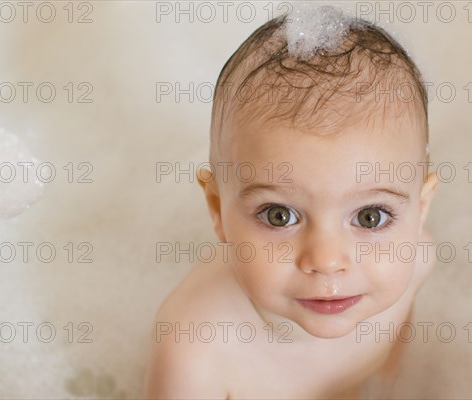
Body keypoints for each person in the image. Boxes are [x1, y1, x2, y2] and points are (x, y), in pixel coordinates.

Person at [144, 5, 439, 399]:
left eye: (370, 217)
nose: (327, 259)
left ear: (420, 210)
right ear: (217, 209)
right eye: (279, 215)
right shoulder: (195, 346)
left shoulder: (416, 261)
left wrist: (389, 380)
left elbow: (395, 354)